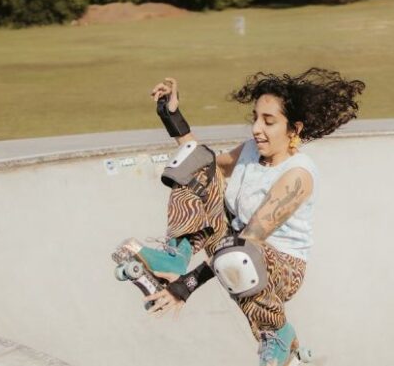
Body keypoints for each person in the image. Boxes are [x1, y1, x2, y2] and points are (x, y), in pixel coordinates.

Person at [113, 68, 364, 366]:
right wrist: (172, 116)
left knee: (237, 254)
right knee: (195, 163)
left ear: (294, 130)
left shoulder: (298, 175)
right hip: (231, 248)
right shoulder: (248, 150)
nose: (256, 128)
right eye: (255, 118)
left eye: (268, 122)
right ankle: (174, 256)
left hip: (279, 267)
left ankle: (279, 332)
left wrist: (185, 287)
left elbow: (250, 239)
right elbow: (202, 162)